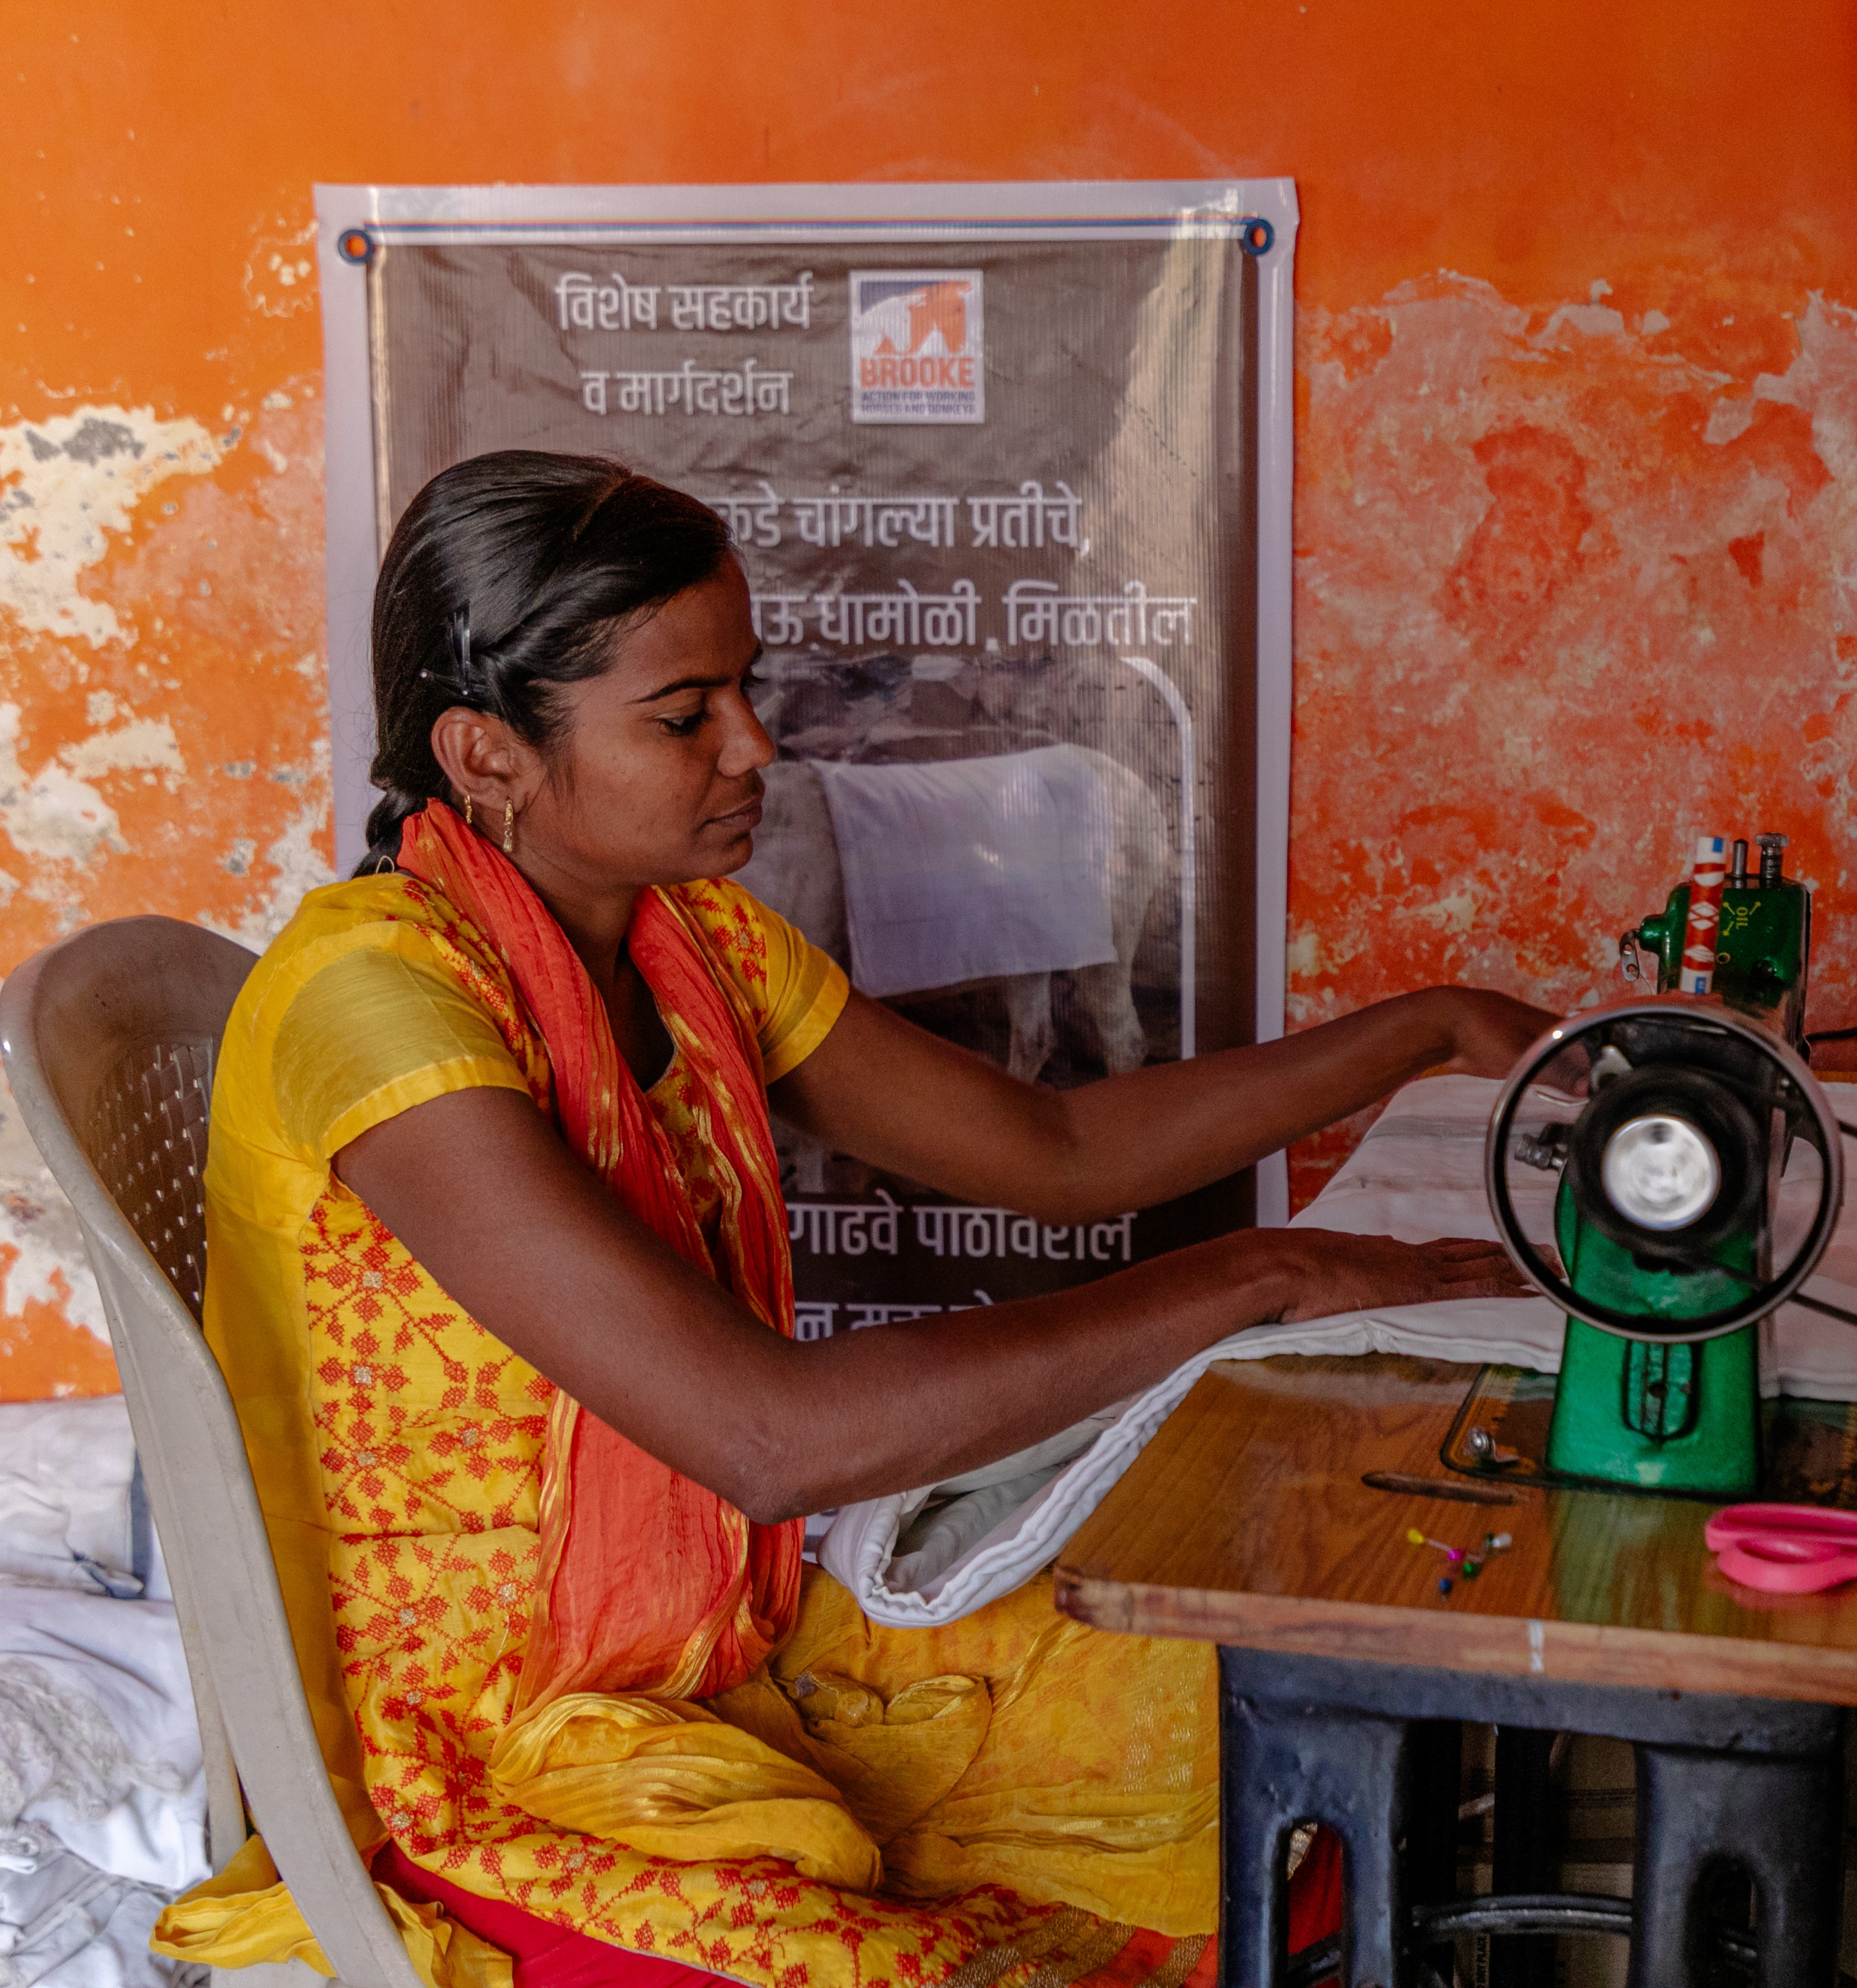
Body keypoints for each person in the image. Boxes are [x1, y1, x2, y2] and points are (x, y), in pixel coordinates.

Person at [157, 452, 1554, 1988]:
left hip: (719, 1657)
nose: (756, 744)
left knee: (1263, 1745)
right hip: (496, 1758)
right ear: (486, 757)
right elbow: (769, 1441)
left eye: (743, 690)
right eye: (685, 716)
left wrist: (1420, 1031)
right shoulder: (380, 1010)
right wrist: (1259, 1272)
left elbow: (1056, 1144)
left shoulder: (694, 946)